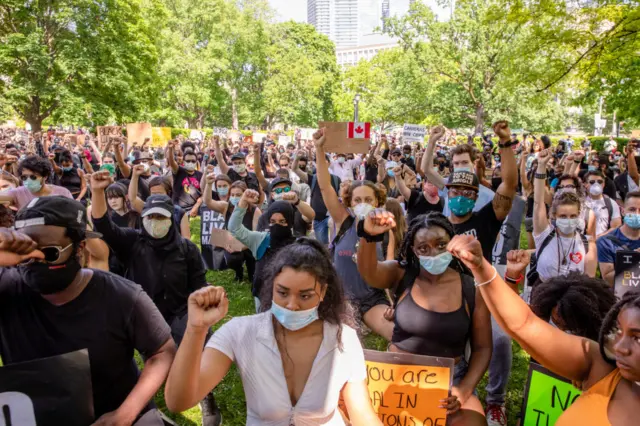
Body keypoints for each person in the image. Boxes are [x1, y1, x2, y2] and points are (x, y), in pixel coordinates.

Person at [164, 239, 383, 426]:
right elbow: (178, 401)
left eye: (305, 296)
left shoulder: (342, 338)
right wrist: (196, 329)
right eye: (283, 292)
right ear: (272, 287)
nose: (291, 305)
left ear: (323, 292)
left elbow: (361, 413)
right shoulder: (241, 332)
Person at [0, 197, 175, 424]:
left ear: (79, 248)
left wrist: (124, 414)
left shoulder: (122, 296)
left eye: (50, 253)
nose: (37, 261)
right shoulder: (6, 289)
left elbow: (162, 351)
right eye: (27, 254)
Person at [447, 233, 640, 426]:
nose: (620, 347)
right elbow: (524, 324)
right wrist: (481, 267)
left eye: (637, 338)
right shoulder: (602, 369)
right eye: (620, 332)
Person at [90, 171, 220, 424]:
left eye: (161, 217)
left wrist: (204, 304)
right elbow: (103, 225)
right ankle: (143, 398)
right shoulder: (132, 243)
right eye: (150, 217)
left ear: (171, 220)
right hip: (142, 313)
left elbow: (198, 284)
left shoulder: (187, 249)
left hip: (179, 311)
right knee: (140, 357)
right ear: (143, 219)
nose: (155, 223)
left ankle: (206, 396)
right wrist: (97, 192)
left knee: (195, 352)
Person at [356, 210, 492, 425]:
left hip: (449, 380)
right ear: (413, 250)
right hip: (394, 374)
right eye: (423, 248)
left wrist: (463, 390)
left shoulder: (471, 288)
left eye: (440, 245)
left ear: (451, 242)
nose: (434, 253)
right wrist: (368, 236)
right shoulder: (402, 274)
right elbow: (369, 272)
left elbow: (483, 348)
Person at [314, 129, 395, 341]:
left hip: (372, 299)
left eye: (368, 200)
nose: (363, 204)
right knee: (342, 346)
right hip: (341, 299)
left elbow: (390, 270)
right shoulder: (344, 221)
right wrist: (319, 148)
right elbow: (324, 187)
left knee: (398, 337)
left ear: (377, 202)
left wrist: (394, 304)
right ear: (349, 203)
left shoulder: (387, 231)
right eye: (358, 200)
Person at [532, 149, 597, 281]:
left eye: (573, 216)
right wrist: (541, 165)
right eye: (563, 216)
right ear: (555, 216)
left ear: (579, 215)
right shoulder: (544, 235)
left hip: (574, 297)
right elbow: (538, 202)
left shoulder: (588, 245)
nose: (568, 220)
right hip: (544, 296)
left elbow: (589, 282)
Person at [228, 190, 297, 309]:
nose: (277, 226)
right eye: (272, 222)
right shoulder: (261, 240)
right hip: (262, 295)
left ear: (290, 222)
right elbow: (234, 228)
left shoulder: (297, 246)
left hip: (289, 299)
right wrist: (243, 201)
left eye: (282, 222)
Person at [422, 130, 495, 217]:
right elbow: (427, 170)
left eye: (464, 162)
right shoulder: (448, 185)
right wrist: (431, 141)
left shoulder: (489, 196)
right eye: (456, 163)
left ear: (474, 163)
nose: (460, 167)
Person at [203, 173, 260, 282]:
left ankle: (250, 266)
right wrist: (208, 184)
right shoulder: (225, 207)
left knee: (254, 276)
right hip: (233, 242)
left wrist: (241, 246)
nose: (235, 198)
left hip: (249, 245)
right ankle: (238, 270)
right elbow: (208, 202)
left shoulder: (255, 211)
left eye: (238, 195)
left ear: (245, 195)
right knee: (232, 259)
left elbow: (255, 237)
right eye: (232, 195)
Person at [128, 165, 191, 238]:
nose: (156, 196)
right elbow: (132, 199)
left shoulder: (179, 212)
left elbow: (186, 238)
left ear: (168, 193)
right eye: (153, 194)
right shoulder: (146, 208)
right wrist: (135, 175)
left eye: (160, 193)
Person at [597, 191, 640, 285]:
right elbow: (608, 279)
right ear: (623, 211)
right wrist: (633, 261)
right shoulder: (606, 242)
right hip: (621, 297)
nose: (637, 214)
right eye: (632, 209)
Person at [0, 155, 73, 210]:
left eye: (33, 177)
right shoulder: (17, 193)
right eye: (24, 177)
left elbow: (74, 213)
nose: (28, 180)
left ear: (45, 176)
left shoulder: (62, 192)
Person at [167, 141, 203, 215]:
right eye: (188, 161)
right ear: (183, 161)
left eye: (193, 161)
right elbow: (172, 162)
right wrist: (170, 149)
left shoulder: (200, 175)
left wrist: (197, 206)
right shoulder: (179, 171)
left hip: (194, 210)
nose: (190, 163)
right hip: (178, 210)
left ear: (196, 162)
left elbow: (203, 194)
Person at [583, 169, 621, 236]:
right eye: (592, 182)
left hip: (604, 242)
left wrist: (599, 238)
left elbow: (615, 226)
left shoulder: (611, 203)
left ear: (603, 184)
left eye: (599, 182)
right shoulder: (580, 203)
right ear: (585, 184)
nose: (596, 184)